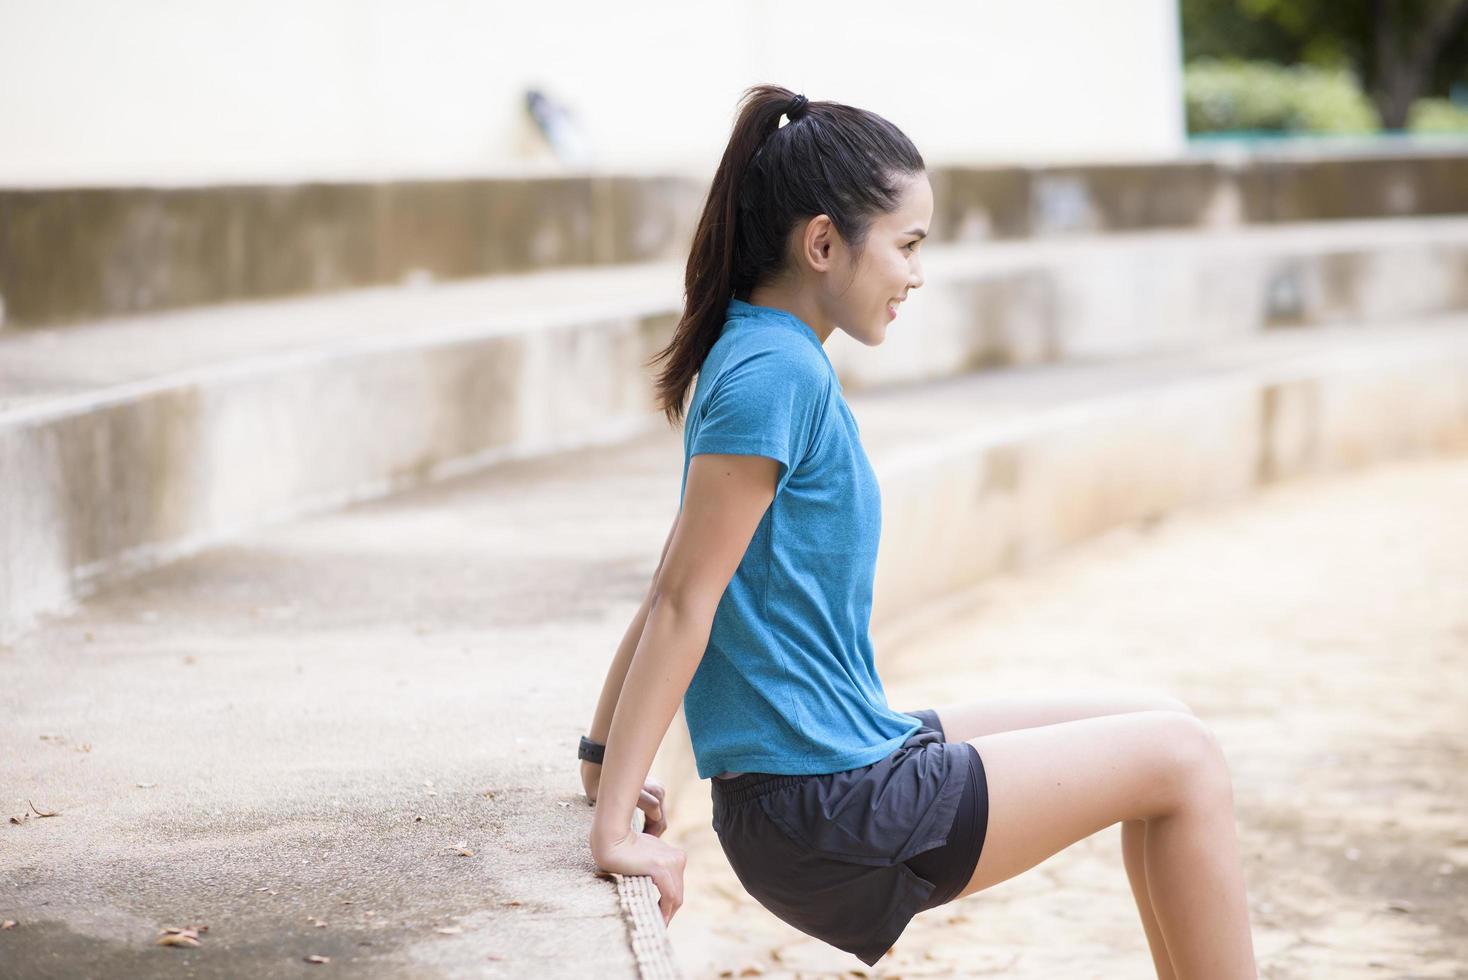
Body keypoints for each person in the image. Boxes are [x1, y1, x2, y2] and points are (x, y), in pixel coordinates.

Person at [578, 84, 1259, 978]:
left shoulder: (762, 355)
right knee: (1185, 760)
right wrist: (611, 827)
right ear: (823, 243)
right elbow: (681, 600)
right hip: (823, 809)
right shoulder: (773, 375)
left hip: (844, 759)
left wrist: (601, 759)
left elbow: (678, 578)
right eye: (906, 245)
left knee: (1161, 726)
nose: (916, 274)